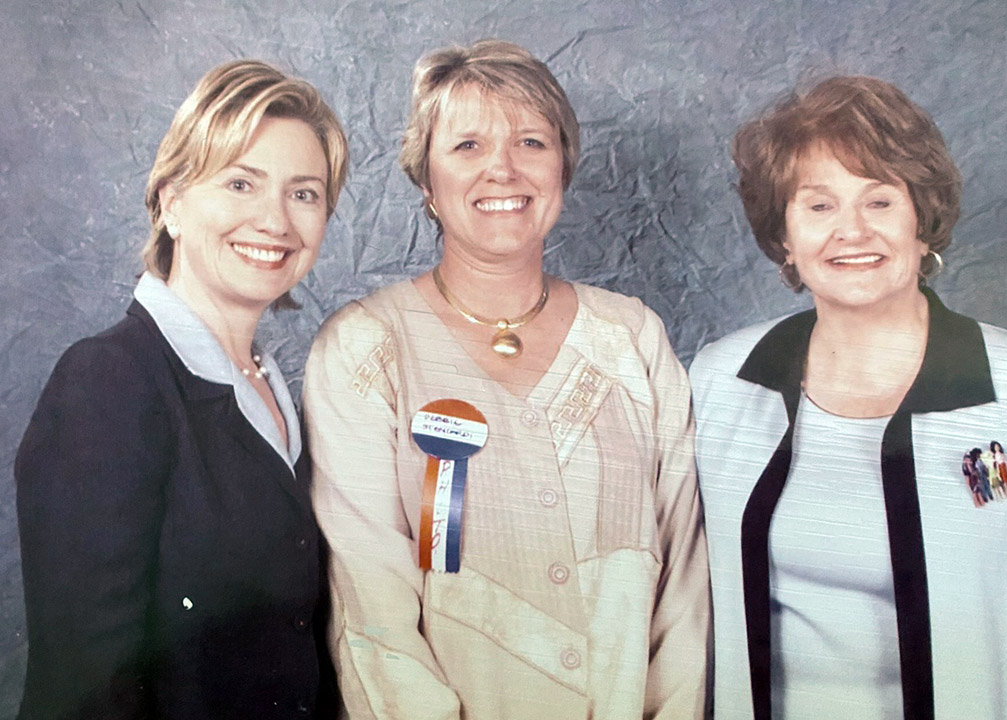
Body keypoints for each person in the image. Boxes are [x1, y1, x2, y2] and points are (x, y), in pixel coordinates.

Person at [303, 39, 709, 719]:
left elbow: (685, 597)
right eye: (466, 146)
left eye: (531, 142)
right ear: (427, 181)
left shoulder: (632, 340)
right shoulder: (366, 350)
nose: (503, 169)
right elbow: (373, 621)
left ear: (563, 167)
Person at [690, 75, 1007, 719]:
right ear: (784, 237)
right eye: (818, 206)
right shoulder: (723, 381)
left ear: (922, 223)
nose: (851, 231)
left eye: (879, 202)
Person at [15, 59, 349, 719]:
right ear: (172, 202)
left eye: (303, 193)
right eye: (241, 183)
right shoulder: (109, 383)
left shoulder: (275, 387)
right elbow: (88, 686)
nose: (276, 220)